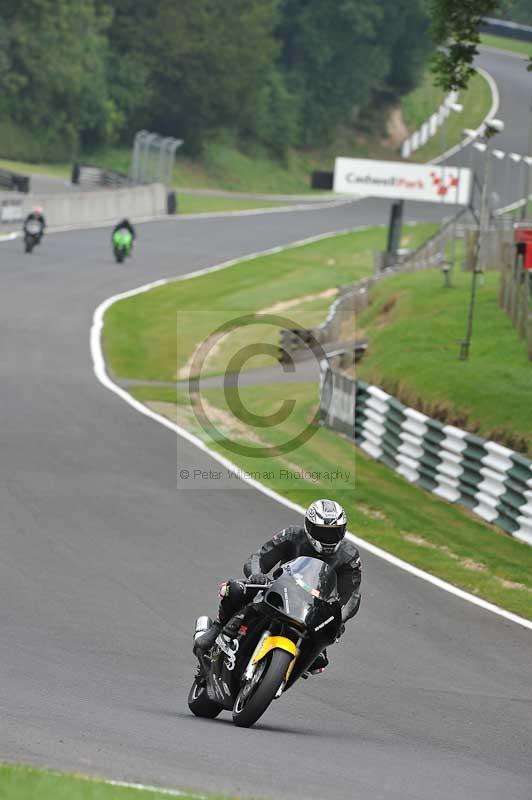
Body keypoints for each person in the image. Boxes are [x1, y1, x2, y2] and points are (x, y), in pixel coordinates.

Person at [194, 499, 362, 674]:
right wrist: (256, 575)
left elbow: (352, 596)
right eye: (323, 532)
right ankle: (217, 628)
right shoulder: (292, 535)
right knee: (236, 589)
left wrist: (339, 617)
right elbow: (258, 558)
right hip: (279, 591)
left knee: (320, 659)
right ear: (309, 527)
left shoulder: (349, 556)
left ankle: (289, 669)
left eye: (334, 532)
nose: (329, 538)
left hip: (314, 610)